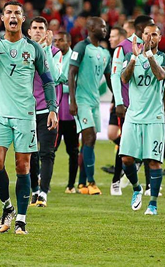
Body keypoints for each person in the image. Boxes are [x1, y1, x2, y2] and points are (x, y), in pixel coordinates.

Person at [0, 1, 58, 234]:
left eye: (17, 13)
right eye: (8, 13)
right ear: (3, 19)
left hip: (25, 115)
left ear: (22, 20)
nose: (13, 16)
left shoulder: (33, 49)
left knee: (22, 166)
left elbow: (48, 80)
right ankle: (7, 207)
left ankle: (22, 220)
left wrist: (52, 108)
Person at [120, 24, 165, 215]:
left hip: (154, 117)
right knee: (126, 159)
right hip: (133, 116)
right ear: (141, 37)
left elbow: (160, 75)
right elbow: (125, 79)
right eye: (147, 34)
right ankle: (136, 188)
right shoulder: (130, 57)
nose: (150, 37)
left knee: (154, 162)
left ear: (160, 37)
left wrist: (149, 55)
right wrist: (134, 57)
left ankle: (153, 204)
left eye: (154, 34)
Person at [68, 17, 112, 195]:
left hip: (95, 101)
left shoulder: (105, 53)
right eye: (102, 26)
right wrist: (73, 100)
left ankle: (81, 183)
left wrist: (117, 97)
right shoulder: (81, 47)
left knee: (88, 142)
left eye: (105, 26)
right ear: (91, 28)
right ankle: (91, 182)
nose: (105, 29)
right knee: (90, 137)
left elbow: (109, 78)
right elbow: (71, 73)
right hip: (82, 100)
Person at [27, 16, 62, 207]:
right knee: (30, 153)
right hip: (27, 112)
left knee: (46, 153)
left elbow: (55, 77)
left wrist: (46, 49)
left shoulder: (55, 52)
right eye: (35, 28)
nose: (38, 30)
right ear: (29, 32)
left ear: (47, 32)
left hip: (48, 110)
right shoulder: (23, 53)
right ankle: (34, 189)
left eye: (41, 27)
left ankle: (43, 193)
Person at [53, 31, 79, 194]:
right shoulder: (52, 57)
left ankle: (71, 185)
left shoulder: (75, 59)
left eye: (61, 40)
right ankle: (43, 184)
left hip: (70, 113)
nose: (56, 43)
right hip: (54, 113)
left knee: (73, 150)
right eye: (55, 40)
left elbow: (75, 83)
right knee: (49, 150)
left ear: (68, 42)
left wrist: (60, 84)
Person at [104, 25, 127, 195]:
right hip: (118, 102)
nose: (110, 39)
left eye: (112, 36)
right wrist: (114, 99)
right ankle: (132, 153)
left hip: (128, 104)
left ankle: (116, 181)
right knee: (113, 134)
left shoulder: (125, 53)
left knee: (124, 141)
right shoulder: (114, 54)